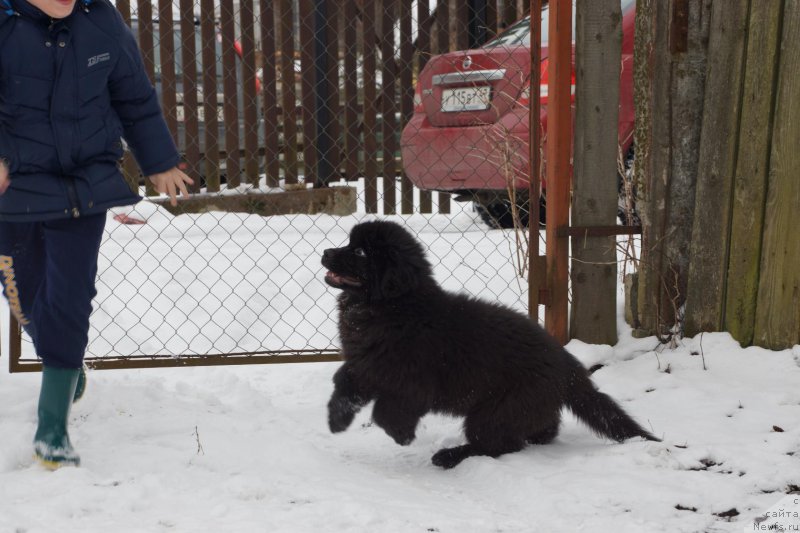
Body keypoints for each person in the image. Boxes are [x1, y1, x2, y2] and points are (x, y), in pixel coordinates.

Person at [0, 0, 193, 468]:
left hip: (84, 186)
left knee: (70, 294)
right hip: (13, 190)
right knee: (23, 293)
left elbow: (134, 96)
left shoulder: (99, 20)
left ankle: (53, 426)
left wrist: (160, 162)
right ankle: (62, 361)